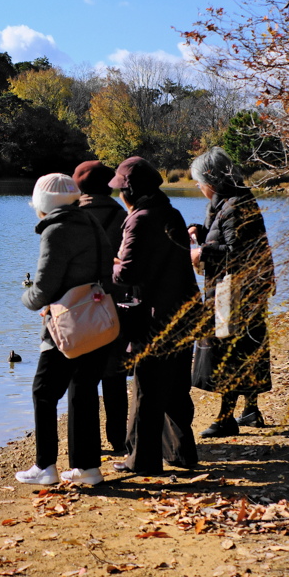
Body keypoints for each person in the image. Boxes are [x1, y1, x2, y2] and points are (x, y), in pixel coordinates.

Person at [15, 173, 116, 486]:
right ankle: (88, 469)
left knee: (43, 393)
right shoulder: (91, 221)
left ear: (43, 204)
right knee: (83, 390)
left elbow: (44, 287)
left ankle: (45, 466)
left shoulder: (57, 230)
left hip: (69, 324)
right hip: (99, 319)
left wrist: (27, 298)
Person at [109, 156, 200, 475]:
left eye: (120, 189)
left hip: (154, 316)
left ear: (130, 192)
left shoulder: (139, 219)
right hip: (184, 312)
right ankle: (181, 453)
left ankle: (143, 460)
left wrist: (113, 262)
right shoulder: (171, 213)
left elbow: (127, 273)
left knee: (147, 388)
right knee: (176, 388)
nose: (118, 194)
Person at [188, 147, 275, 437]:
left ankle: (226, 419)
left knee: (231, 350)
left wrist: (201, 253)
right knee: (247, 347)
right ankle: (250, 410)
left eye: (199, 183)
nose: (199, 188)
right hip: (248, 289)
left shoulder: (234, 204)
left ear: (210, 181)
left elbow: (235, 252)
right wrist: (202, 233)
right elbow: (230, 237)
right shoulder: (233, 200)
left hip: (237, 291)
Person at [71, 160, 129, 454]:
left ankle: (87, 445)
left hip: (77, 308)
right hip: (114, 304)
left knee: (82, 378)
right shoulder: (122, 215)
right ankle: (119, 439)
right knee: (115, 375)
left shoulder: (70, 216)